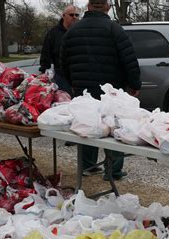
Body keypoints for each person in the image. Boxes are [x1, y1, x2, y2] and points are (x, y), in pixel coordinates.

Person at [60, 0, 141, 180]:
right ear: (108, 7)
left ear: (88, 7)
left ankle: (88, 165)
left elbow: (63, 62)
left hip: (83, 89)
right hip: (111, 91)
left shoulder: (73, 31)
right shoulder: (115, 30)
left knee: (87, 125)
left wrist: (72, 81)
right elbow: (130, 61)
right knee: (114, 128)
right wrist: (134, 85)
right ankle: (113, 171)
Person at [39, 5, 81, 95]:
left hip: (79, 75)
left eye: (77, 15)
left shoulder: (81, 32)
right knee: (64, 102)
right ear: (63, 15)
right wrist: (44, 71)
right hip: (61, 75)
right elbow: (46, 53)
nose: (74, 17)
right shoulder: (53, 33)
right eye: (71, 15)